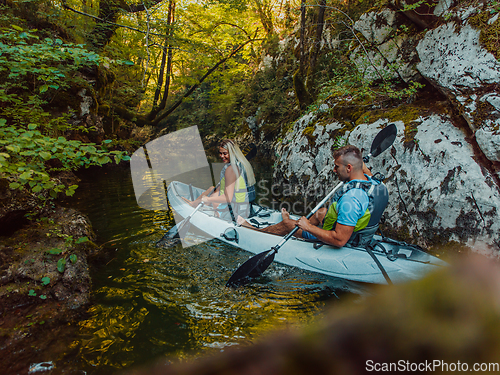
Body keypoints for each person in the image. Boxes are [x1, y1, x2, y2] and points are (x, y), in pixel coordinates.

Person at [239, 145, 388, 247]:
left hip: (347, 239)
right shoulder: (375, 183)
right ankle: (297, 226)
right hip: (360, 233)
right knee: (321, 212)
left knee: (288, 225)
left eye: (337, 166)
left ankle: (258, 230)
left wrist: (309, 227)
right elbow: (362, 168)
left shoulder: (352, 199)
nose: (334, 170)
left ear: (349, 168)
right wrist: (360, 162)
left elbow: (340, 240)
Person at [185, 139, 256, 220]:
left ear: (232, 153)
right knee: (212, 189)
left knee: (213, 195)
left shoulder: (231, 169)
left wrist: (208, 199)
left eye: (225, 153)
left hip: (235, 213)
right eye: (220, 153)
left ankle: (196, 205)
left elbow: (228, 198)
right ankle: (193, 203)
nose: (222, 156)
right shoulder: (244, 165)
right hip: (246, 209)